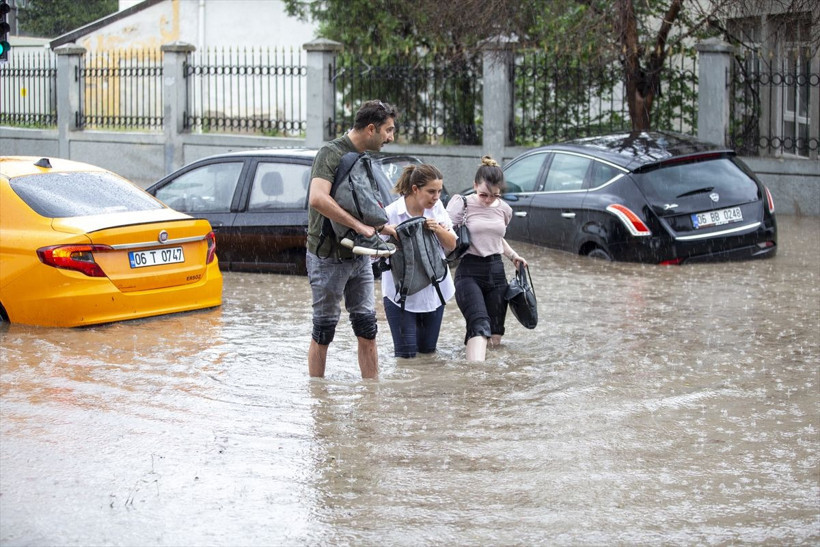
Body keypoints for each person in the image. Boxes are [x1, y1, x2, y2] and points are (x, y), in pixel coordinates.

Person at [305, 99, 398, 379]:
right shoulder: (330, 153)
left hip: (359, 256)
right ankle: (318, 404)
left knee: (367, 328)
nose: (391, 138)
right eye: (388, 130)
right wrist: (359, 226)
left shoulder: (364, 158)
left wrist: (383, 228)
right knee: (324, 331)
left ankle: (372, 399)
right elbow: (318, 198)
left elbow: (360, 203)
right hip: (328, 257)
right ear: (371, 128)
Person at [446, 155, 528, 362]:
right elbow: (444, 233)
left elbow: (496, 239)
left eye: (494, 195)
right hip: (468, 271)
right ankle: (475, 377)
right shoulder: (461, 204)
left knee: (496, 334)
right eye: (483, 195)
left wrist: (513, 256)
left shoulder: (504, 209)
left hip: (496, 272)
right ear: (474, 185)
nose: (488, 200)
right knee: (480, 324)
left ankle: (491, 385)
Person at [379, 164, 457, 358]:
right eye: (431, 191)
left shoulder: (437, 208)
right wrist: (391, 234)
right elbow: (374, 254)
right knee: (406, 358)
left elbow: (452, 245)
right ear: (415, 189)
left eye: (439, 191)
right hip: (400, 298)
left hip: (435, 293)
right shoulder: (391, 214)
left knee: (428, 357)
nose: (436, 197)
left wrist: (438, 229)